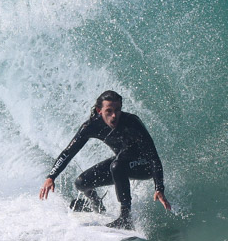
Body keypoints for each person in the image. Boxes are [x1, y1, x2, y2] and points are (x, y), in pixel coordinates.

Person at [39, 90, 171, 230]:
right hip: (121, 163)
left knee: (116, 165)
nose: (114, 115)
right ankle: (96, 204)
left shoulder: (132, 122)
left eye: (117, 110)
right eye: (109, 111)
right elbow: (68, 152)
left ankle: (125, 218)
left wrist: (159, 188)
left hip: (144, 166)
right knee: (81, 183)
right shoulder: (92, 126)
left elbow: (153, 157)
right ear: (99, 110)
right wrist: (51, 176)